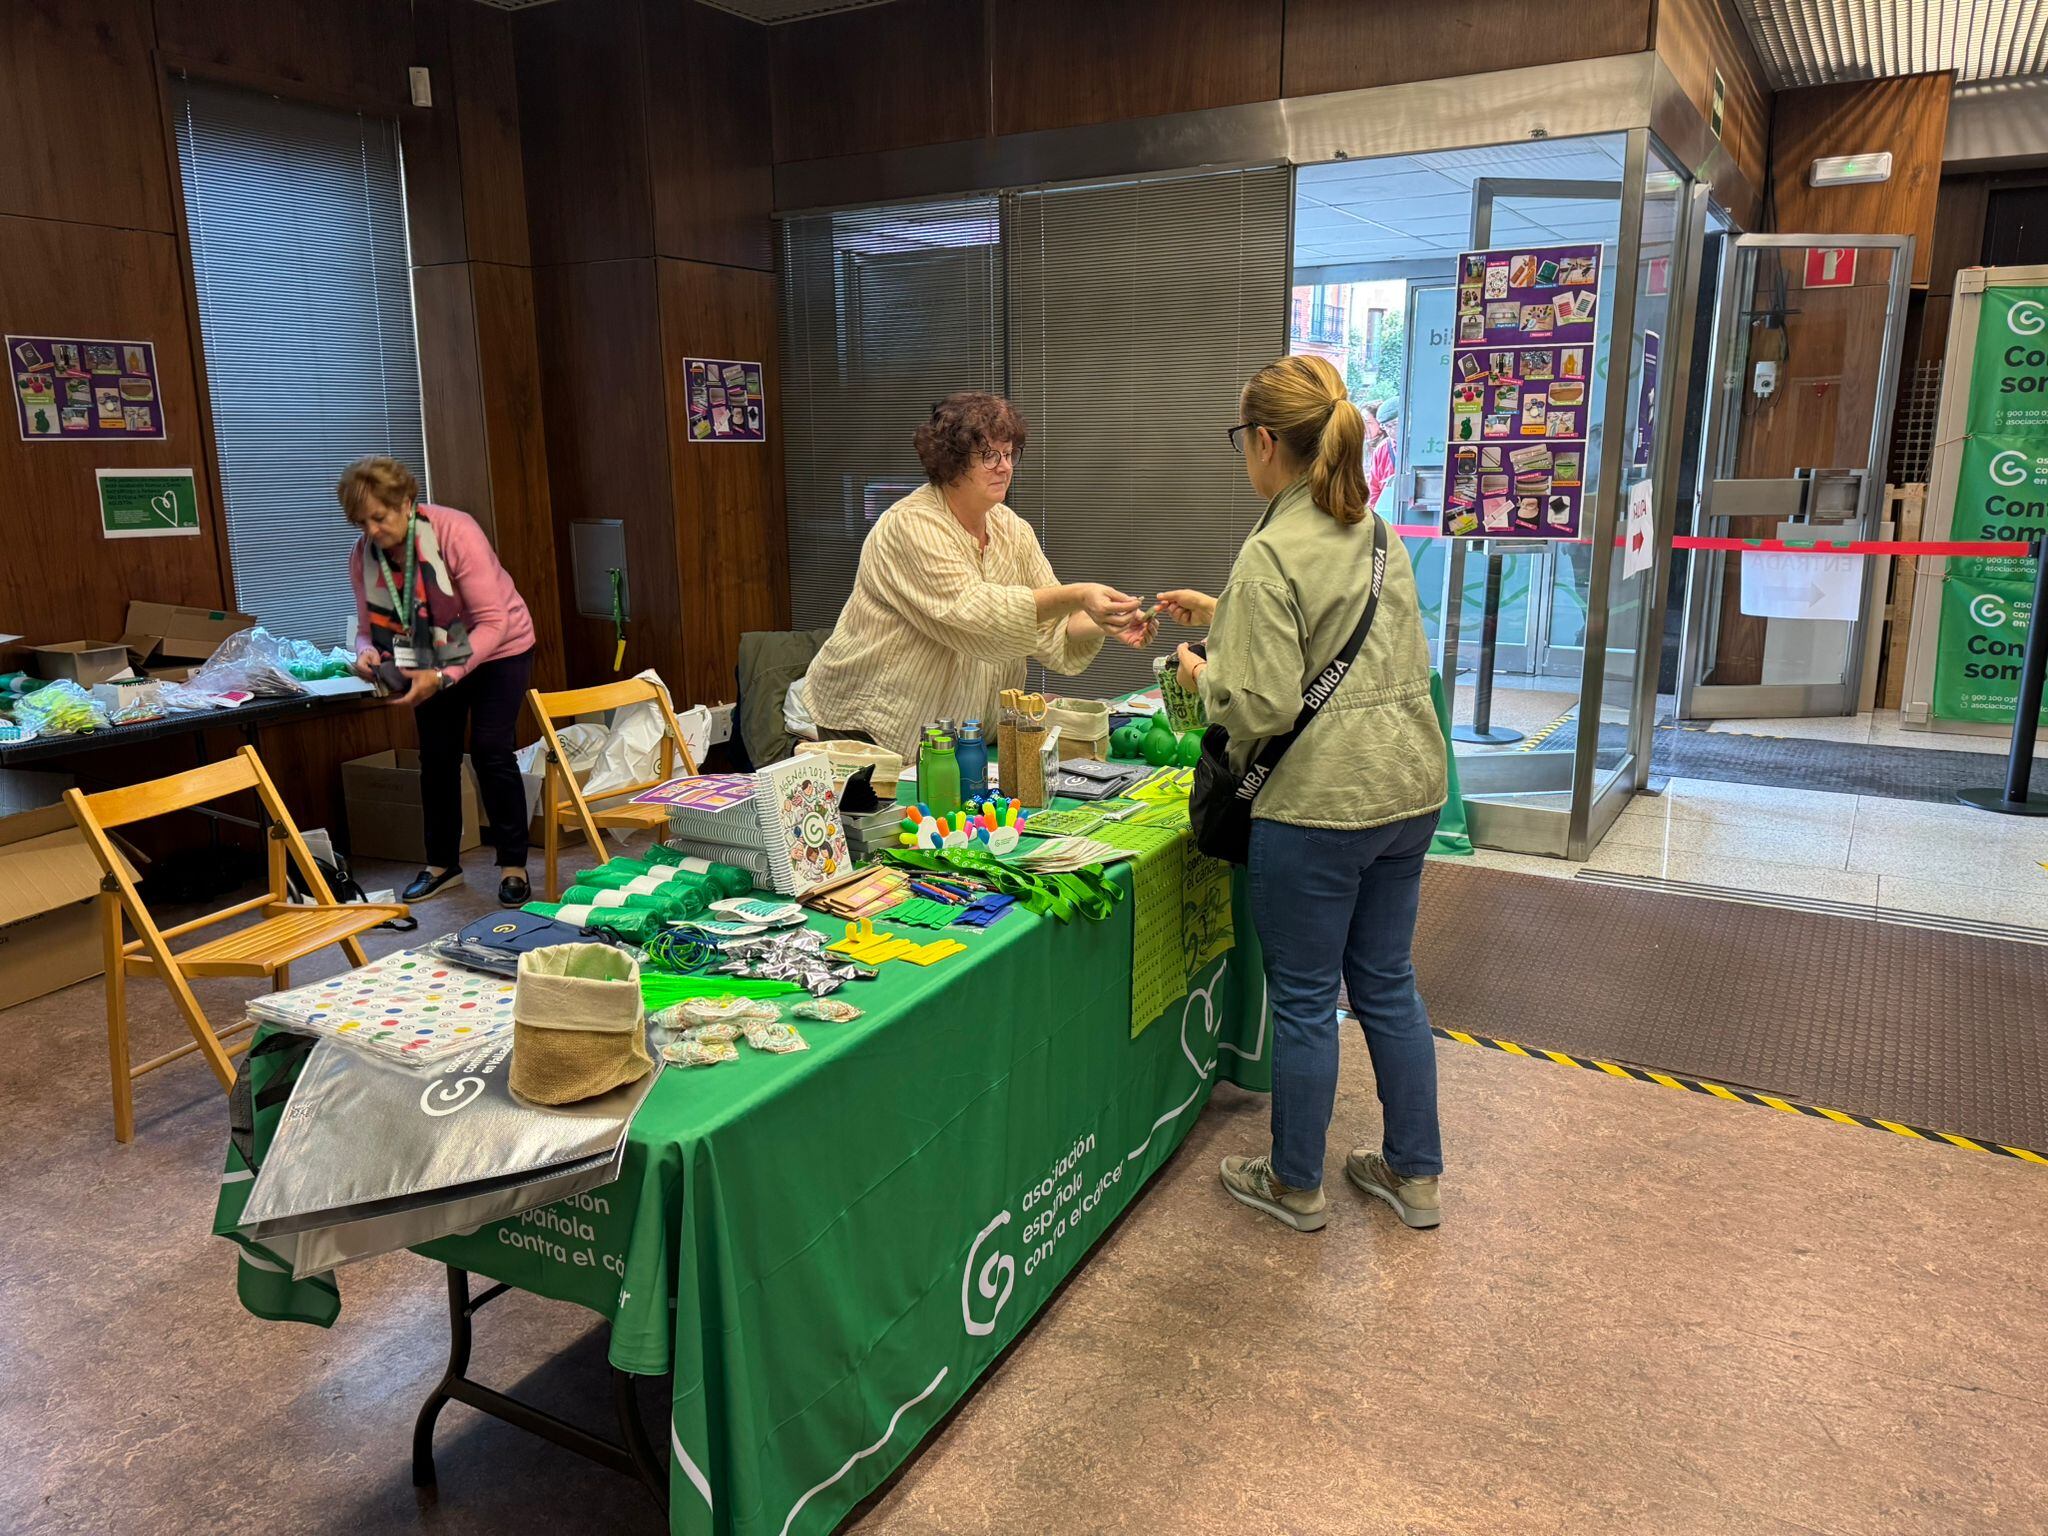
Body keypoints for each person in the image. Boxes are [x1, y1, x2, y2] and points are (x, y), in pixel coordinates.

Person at [1157, 354, 1447, 1235]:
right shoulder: (1378, 536)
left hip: (1317, 807)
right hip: (1407, 791)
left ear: (1265, 442)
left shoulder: (1268, 550)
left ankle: (1295, 1183)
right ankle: (1413, 1174)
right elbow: (1337, 638)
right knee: (1388, 983)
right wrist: (1223, 612)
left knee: (1307, 997)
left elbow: (1265, 702)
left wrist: (1202, 670)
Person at [800, 392, 1153, 759]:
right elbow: (975, 614)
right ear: (951, 462)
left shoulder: (1012, 529)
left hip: (955, 734)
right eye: (989, 455)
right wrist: (1079, 595)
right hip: (873, 725)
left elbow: (1048, 627)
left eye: (1009, 453)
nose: (1004, 467)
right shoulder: (909, 526)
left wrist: (1104, 619)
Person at [340, 457, 538, 907]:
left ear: (407, 504)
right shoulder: (363, 555)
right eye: (359, 522)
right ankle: (442, 864)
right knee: (437, 756)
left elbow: (492, 622)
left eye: (379, 517)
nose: (370, 531)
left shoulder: (455, 532)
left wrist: (445, 674)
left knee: (491, 750)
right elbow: (368, 628)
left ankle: (513, 865)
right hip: (428, 654)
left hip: (499, 647)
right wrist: (365, 653)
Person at [1367, 394, 1400, 514]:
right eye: (1387, 426)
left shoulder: (1421, 445)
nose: (1392, 430)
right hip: (1388, 512)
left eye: (1395, 424)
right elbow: (1374, 488)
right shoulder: (1382, 450)